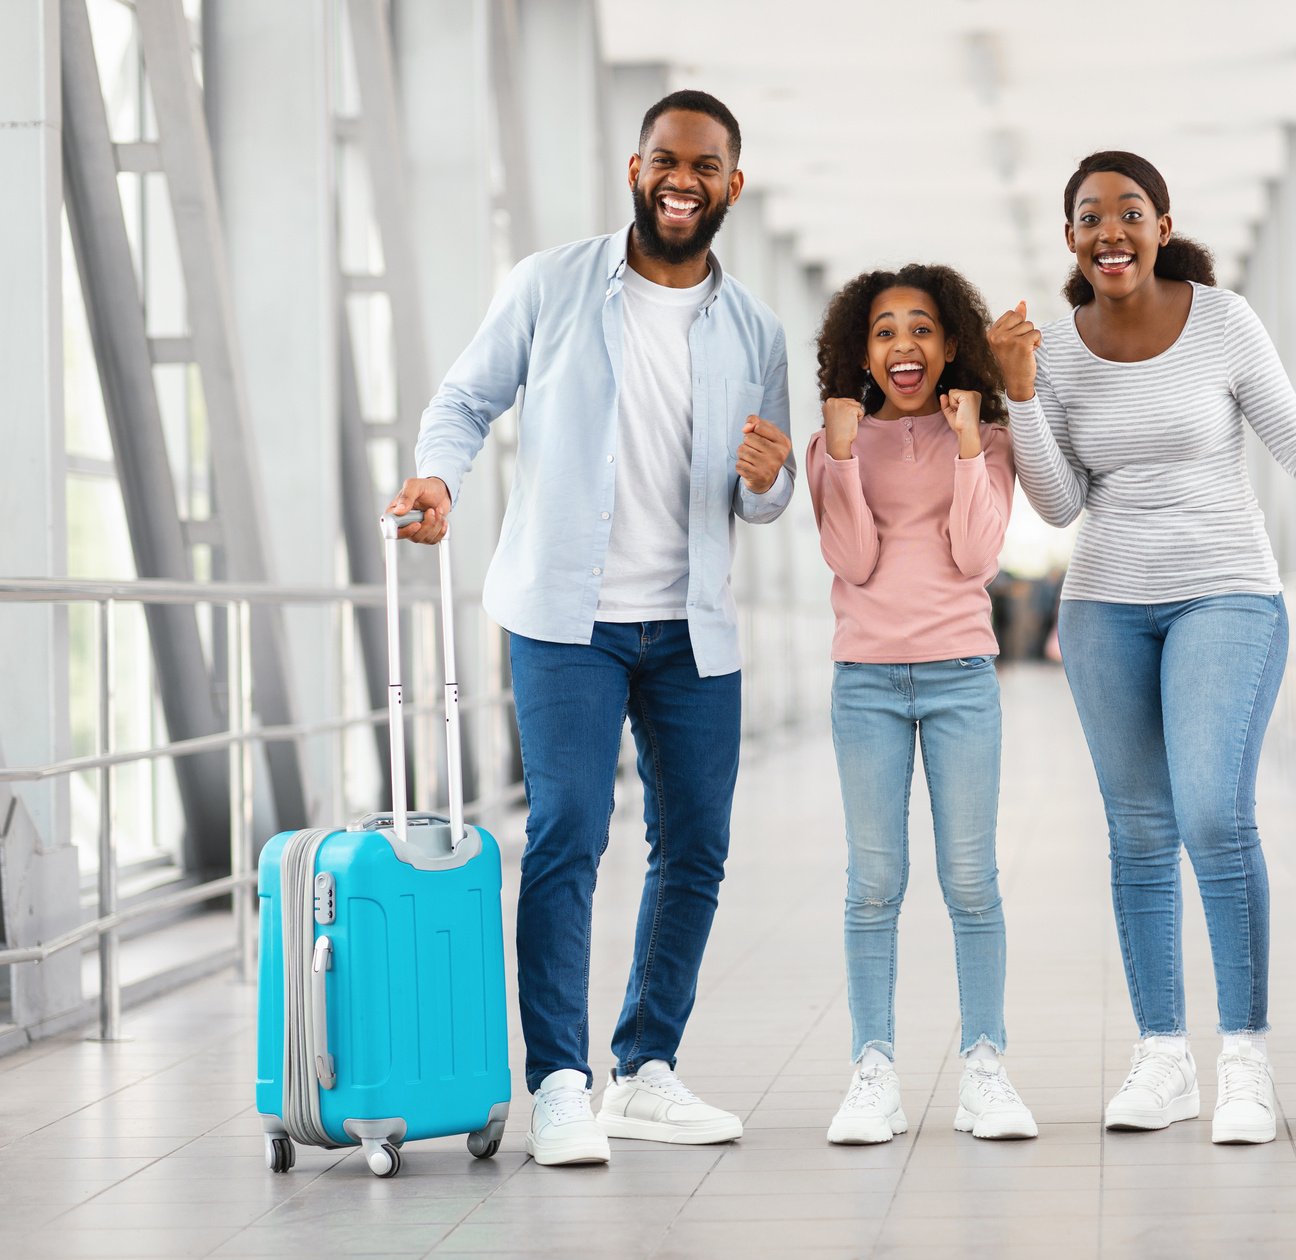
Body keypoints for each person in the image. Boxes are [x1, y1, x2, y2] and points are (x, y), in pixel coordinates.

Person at [987, 150, 1296, 1145]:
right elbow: (1056, 501)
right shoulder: (1056, 350)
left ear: (1161, 226)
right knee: (1136, 835)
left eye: (1129, 211)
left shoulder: (1219, 320)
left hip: (1224, 593)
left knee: (1212, 815)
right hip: (1103, 609)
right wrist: (1020, 392)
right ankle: (1161, 1058)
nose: (1109, 229)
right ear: (1071, 241)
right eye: (1089, 216)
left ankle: (1243, 1061)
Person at [386, 89, 796, 1166]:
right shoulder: (551, 284)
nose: (681, 179)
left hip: (693, 628)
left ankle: (644, 1069)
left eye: (704, 166)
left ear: (730, 186)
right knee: (568, 833)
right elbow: (466, 400)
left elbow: (762, 495)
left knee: (695, 847)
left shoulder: (755, 328)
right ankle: (559, 1082)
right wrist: (439, 478)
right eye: (665, 160)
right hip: (567, 620)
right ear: (635, 167)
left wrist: (768, 479)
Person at [807, 265, 1036, 1145]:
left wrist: (972, 443)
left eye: (922, 328)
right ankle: (873, 1070)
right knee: (874, 886)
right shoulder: (842, 438)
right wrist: (836, 452)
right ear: (861, 352)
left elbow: (977, 557)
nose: (904, 345)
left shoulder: (988, 437)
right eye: (884, 331)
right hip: (864, 679)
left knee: (971, 883)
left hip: (960, 679)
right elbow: (852, 558)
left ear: (950, 346)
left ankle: (985, 1066)